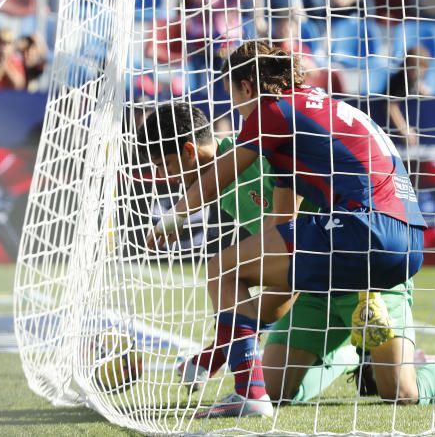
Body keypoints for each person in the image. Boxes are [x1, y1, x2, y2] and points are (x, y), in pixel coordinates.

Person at [150, 41, 435, 418]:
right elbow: (283, 236)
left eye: (232, 95)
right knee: (291, 388)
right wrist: (221, 348)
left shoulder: (272, 111)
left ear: (245, 87)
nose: (235, 108)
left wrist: (172, 220)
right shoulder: (306, 120)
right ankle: (354, 355)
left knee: (225, 269)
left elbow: (216, 177)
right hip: (372, 245)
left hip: (363, 236)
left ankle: (253, 393)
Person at [137, 103, 363, 408]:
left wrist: (215, 353)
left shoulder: (257, 158)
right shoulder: (222, 185)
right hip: (314, 282)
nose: (167, 178)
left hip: (355, 271)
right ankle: (345, 355)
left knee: (401, 389)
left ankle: (249, 391)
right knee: (274, 385)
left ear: (189, 151)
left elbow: (296, 246)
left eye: (163, 165)